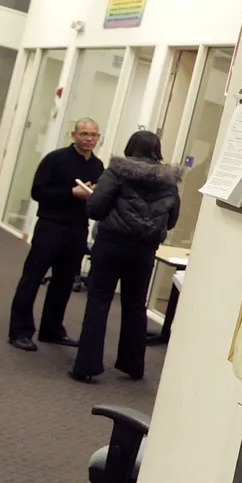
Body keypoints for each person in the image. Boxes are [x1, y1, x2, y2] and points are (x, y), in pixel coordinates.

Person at [71, 131, 181, 382]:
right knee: (135, 305)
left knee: (99, 301)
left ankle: (87, 366)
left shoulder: (117, 172)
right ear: (157, 150)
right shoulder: (168, 181)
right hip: (144, 250)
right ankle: (133, 365)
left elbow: (95, 208)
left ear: (130, 147)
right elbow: (172, 220)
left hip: (111, 244)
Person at [8, 118, 104, 351]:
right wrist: (71, 193)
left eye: (93, 135)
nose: (88, 139)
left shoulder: (98, 166)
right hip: (51, 225)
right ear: (73, 135)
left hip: (78, 229)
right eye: (83, 134)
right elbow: (38, 192)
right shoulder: (55, 159)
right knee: (32, 278)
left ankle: (52, 330)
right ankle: (20, 331)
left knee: (63, 282)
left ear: (98, 138)